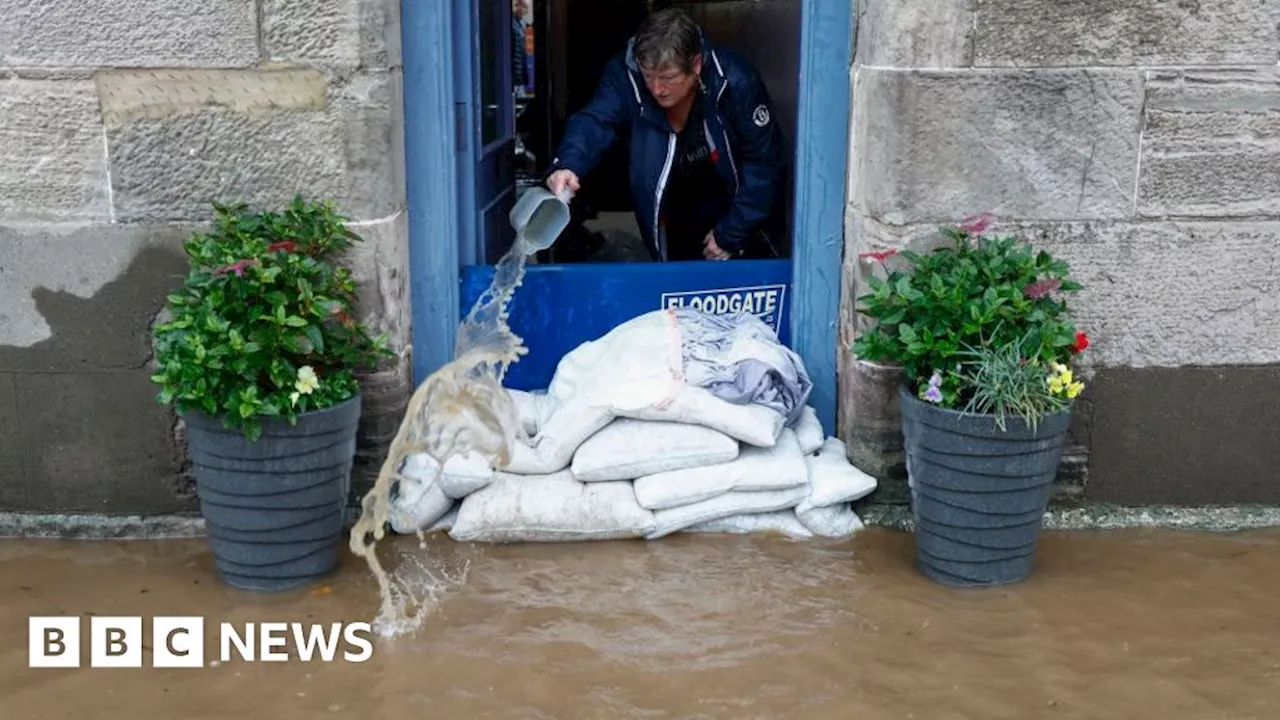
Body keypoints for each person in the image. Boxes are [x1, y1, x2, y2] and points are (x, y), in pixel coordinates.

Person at [544, 8, 787, 262]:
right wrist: (568, 164)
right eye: (649, 76)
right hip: (670, 210)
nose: (657, 89)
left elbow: (764, 164)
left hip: (734, 210)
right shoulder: (626, 75)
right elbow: (596, 120)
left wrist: (732, 233)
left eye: (668, 77)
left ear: (695, 64)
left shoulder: (734, 80)